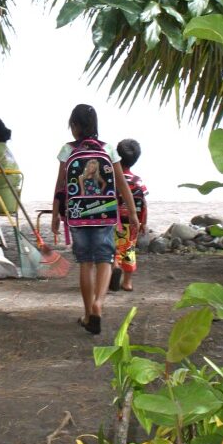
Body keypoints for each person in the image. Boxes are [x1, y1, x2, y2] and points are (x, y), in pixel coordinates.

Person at [51, 104, 140, 335]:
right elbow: (121, 183)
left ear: (74, 125)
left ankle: (88, 313)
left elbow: (60, 185)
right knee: (104, 259)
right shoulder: (108, 149)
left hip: (78, 213)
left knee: (85, 262)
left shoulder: (68, 150)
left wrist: (55, 214)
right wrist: (132, 213)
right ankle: (99, 303)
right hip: (105, 212)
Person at [110, 139, 148, 293]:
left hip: (113, 221)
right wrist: (143, 222)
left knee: (113, 248)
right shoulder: (138, 181)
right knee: (129, 249)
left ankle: (114, 266)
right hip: (132, 222)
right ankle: (127, 282)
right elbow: (143, 203)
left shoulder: (111, 178)